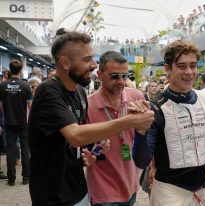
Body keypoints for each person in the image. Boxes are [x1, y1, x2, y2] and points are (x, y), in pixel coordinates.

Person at [28, 30, 154, 206]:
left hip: (79, 189)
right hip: (53, 195)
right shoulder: (48, 91)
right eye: (87, 59)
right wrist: (129, 121)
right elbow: (75, 135)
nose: (94, 65)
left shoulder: (79, 91)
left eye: (124, 76)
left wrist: (94, 151)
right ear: (65, 62)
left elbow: (80, 143)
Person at [133, 40, 205, 206]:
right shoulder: (156, 107)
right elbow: (141, 161)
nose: (189, 72)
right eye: (181, 66)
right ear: (167, 68)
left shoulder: (204, 98)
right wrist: (140, 133)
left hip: (201, 190)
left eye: (193, 66)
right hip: (169, 192)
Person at [86, 51, 144, 205]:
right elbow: (84, 149)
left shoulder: (137, 97)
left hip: (130, 183)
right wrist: (97, 149)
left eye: (125, 76)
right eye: (114, 76)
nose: (121, 82)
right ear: (99, 75)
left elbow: (147, 136)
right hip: (103, 189)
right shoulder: (88, 105)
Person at [0, 60, 32, 186]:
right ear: (21, 70)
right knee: (25, 148)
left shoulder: (2, 86)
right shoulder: (25, 86)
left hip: (8, 122)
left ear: (10, 69)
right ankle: (26, 178)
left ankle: (11, 179)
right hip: (23, 122)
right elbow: (31, 107)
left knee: (11, 149)